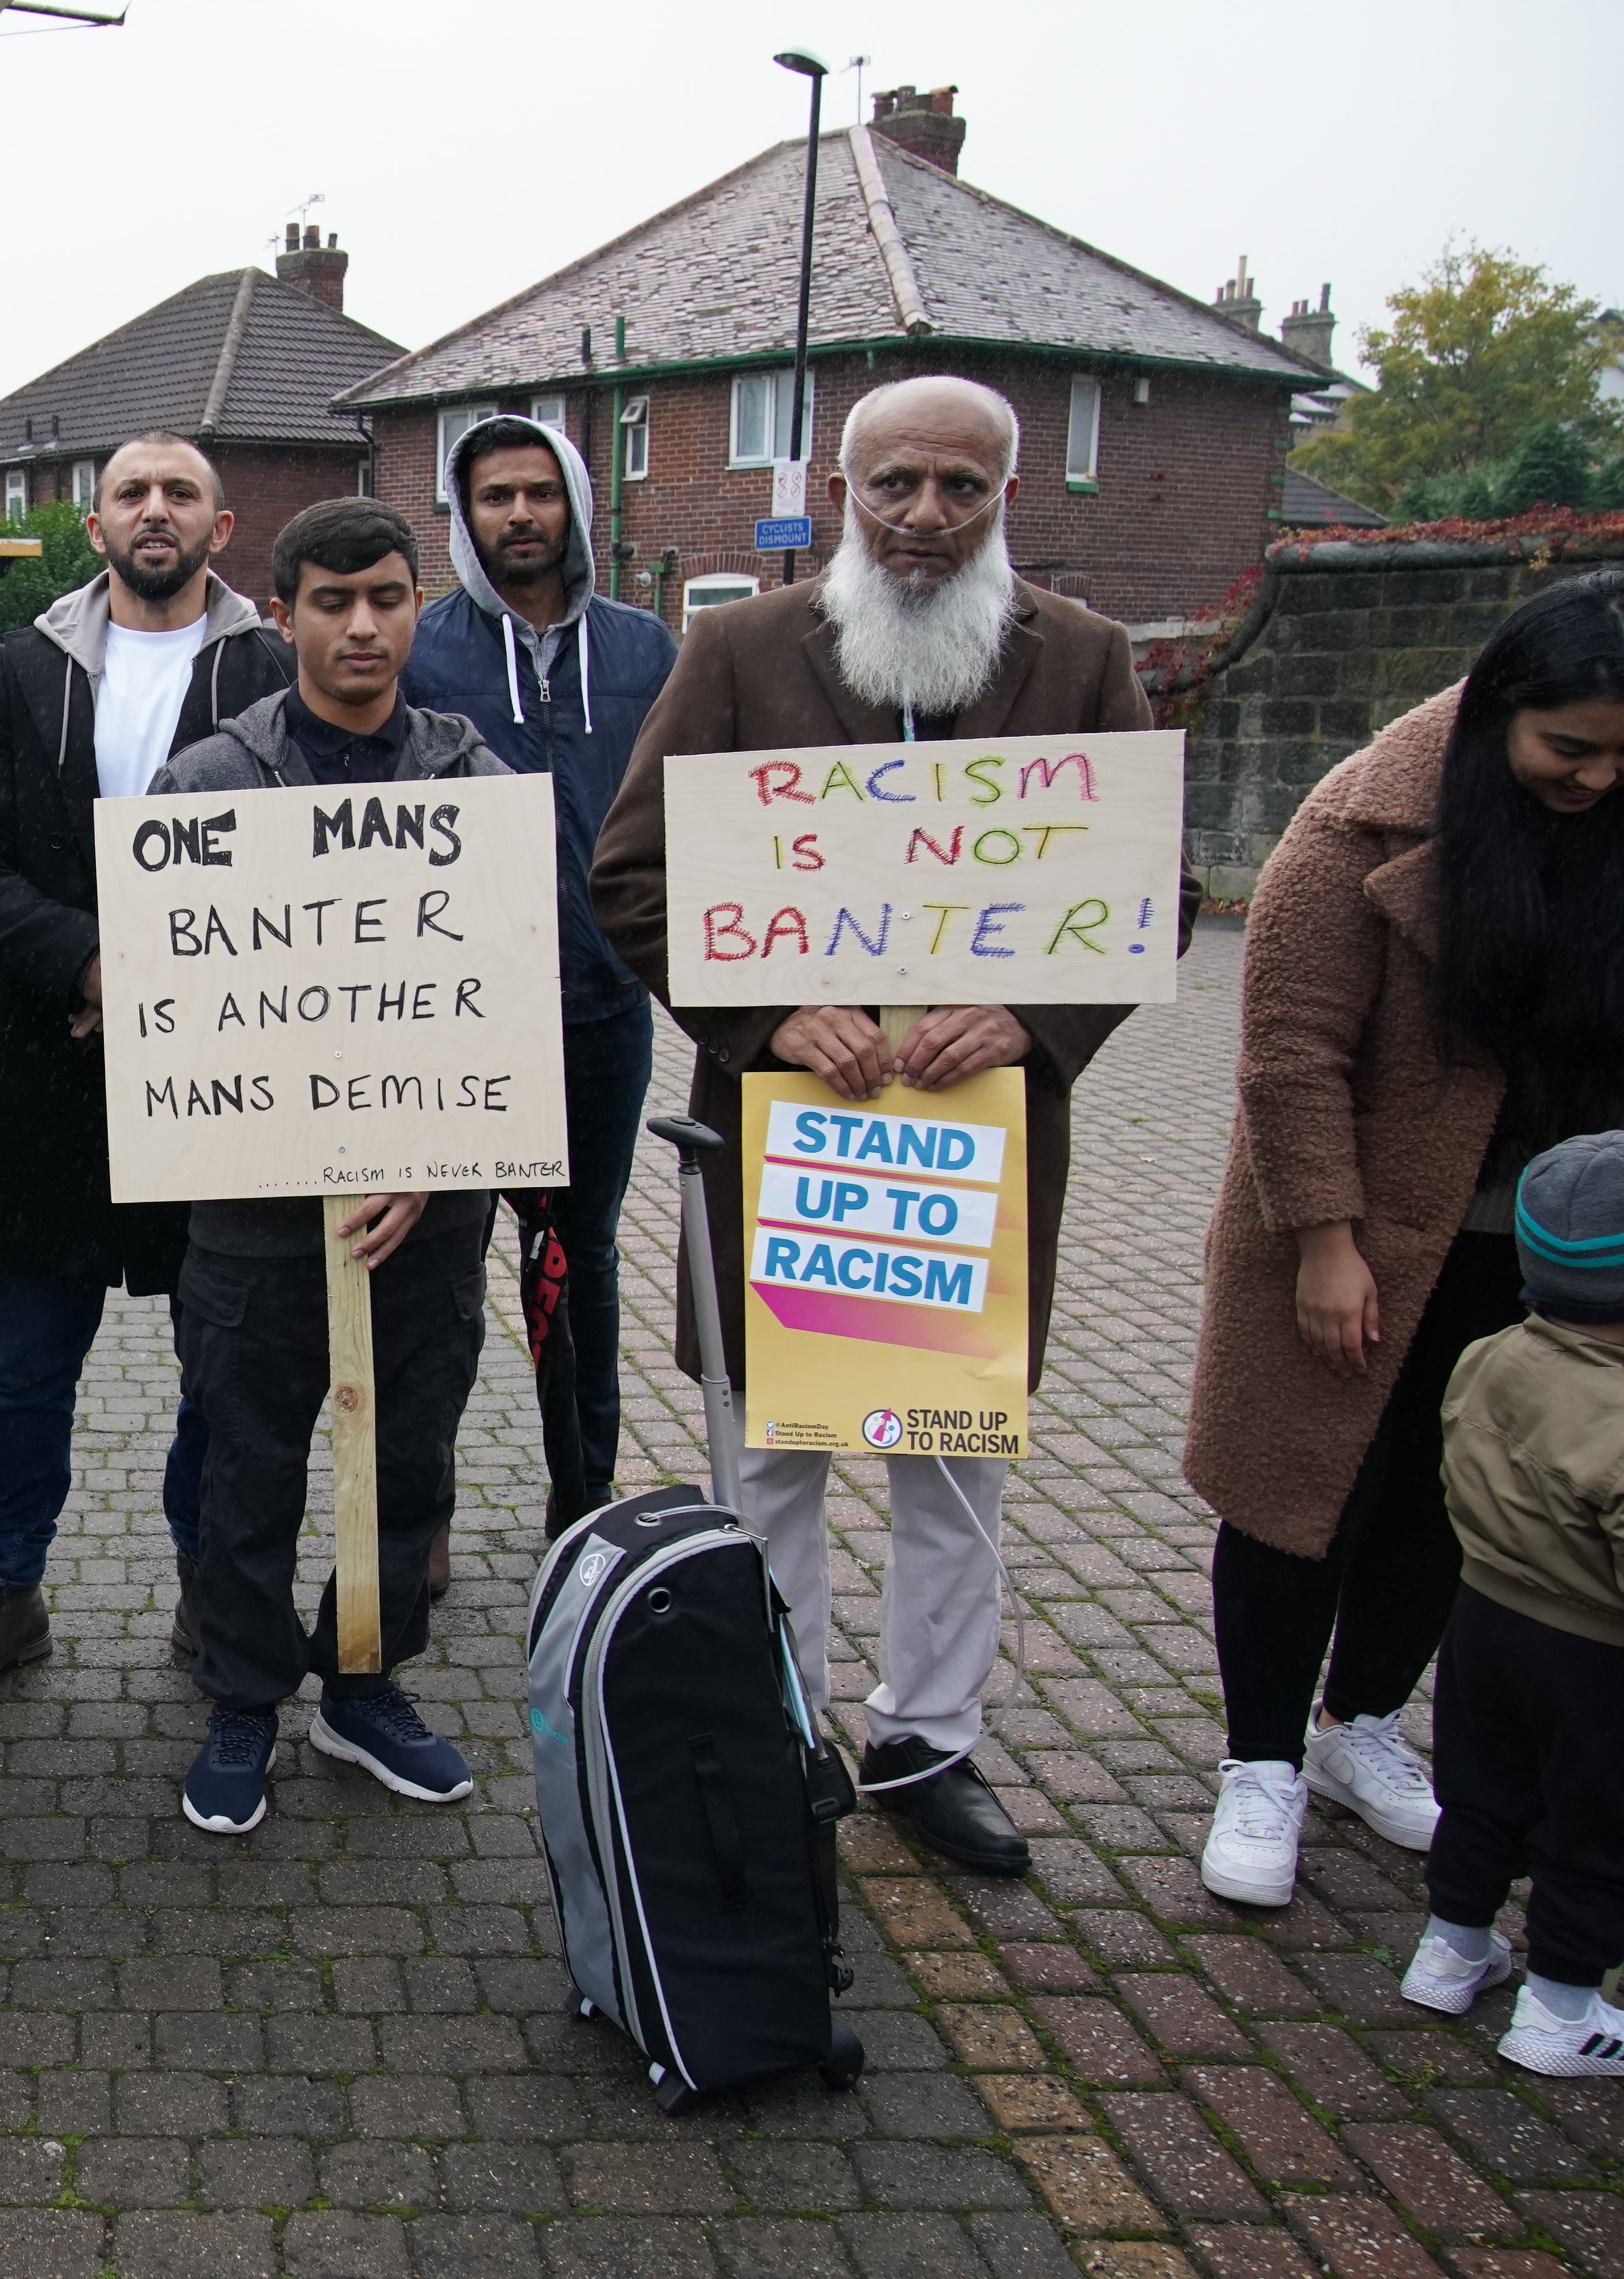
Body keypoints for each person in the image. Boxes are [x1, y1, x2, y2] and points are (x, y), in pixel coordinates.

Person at [592, 374, 1153, 1881]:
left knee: (949, 1467)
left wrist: (1037, 1024)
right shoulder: (738, 649)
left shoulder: (1088, 661)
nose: (923, 517)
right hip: (794, 1134)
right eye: (893, 483)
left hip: (972, 1147)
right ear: (845, 487)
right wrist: (767, 1018)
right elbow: (631, 877)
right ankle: (777, 1731)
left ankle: (928, 1744)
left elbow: (1128, 901)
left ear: (1005, 497)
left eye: (960, 488)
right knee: (774, 1459)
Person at [1181, 573, 1624, 1906]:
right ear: (1501, 713)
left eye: (1623, 752)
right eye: (1571, 748)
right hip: (1345, 1228)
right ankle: (1257, 1758)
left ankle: (1358, 1724)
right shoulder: (1355, 827)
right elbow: (1292, 1056)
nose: (1598, 777)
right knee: (1300, 1494)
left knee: (1451, 1496)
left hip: (1537, 1247)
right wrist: (1326, 1240)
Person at [0, 429, 291, 1698]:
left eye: (180, 492)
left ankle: (209, 1590)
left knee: (220, 1359)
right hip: (49, 1067)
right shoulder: (26, 671)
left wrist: (182, 986)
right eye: (131, 491)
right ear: (95, 523)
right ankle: (5, 1590)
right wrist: (88, 963)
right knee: (28, 1361)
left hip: (228, 1085)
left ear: (220, 527)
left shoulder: (271, 671)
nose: (154, 510)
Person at [150, 498, 500, 1833]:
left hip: (425, 1214)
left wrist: (435, 1148)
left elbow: (501, 997)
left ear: (419, 607)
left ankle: (365, 1686)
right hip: (249, 1218)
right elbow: (176, 1003)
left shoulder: (470, 782)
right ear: (283, 611)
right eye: (335, 601)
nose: (364, 625)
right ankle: (244, 1701)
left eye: (391, 598)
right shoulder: (208, 788)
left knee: (404, 1461)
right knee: (249, 1463)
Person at [401, 416, 677, 1550]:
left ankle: (584, 1504)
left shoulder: (649, 648)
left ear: (572, 504)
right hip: (463, 1022)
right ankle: (419, 1518)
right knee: (440, 1271)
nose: (519, 514)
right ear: (464, 518)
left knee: (579, 1261)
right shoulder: (424, 649)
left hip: (602, 1011)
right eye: (495, 497)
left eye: (537, 493)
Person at [1402, 1130, 1624, 2074]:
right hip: (1594, 1652)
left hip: (1485, 1622)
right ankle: (1562, 2009)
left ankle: (1450, 1952)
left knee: (1481, 1797)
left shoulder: (1491, 1355)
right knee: (1595, 1828)